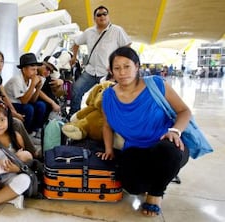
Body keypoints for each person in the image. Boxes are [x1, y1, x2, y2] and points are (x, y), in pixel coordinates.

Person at [100, 47, 190, 217]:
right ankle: (157, 178)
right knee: (132, 187)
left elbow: (184, 111)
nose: (122, 72)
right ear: (111, 71)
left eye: (127, 66)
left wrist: (175, 131)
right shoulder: (108, 96)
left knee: (166, 152)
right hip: (135, 149)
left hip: (166, 145)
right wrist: (109, 150)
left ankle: (156, 194)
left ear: (137, 66)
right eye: (117, 68)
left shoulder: (156, 84)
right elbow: (107, 125)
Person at [68, 5, 131, 117]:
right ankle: (74, 116)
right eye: (99, 15)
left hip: (108, 73)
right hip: (91, 70)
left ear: (108, 16)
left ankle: (111, 120)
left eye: (104, 14)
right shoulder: (88, 32)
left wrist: (119, 65)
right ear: (95, 18)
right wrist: (74, 57)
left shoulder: (117, 31)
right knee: (76, 90)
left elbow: (127, 47)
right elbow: (76, 43)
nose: (102, 16)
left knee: (110, 98)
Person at [4, 52, 47, 136]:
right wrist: (33, 85)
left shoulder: (30, 79)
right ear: (23, 69)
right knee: (29, 108)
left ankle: (34, 131)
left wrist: (38, 87)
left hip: (21, 103)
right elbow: (24, 101)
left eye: (36, 70)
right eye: (32, 70)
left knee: (41, 105)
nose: (35, 73)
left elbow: (33, 100)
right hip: (10, 105)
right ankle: (25, 134)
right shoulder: (17, 79)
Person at [37, 55, 63, 121]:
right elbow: (38, 91)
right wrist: (52, 103)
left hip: (51, 110)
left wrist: (60, 83)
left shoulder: (47, 77)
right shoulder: (35, 73)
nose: (48, 72)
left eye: (51, 71)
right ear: (42, 64)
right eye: (47, 68)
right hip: (41, 105)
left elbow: (58, 93)